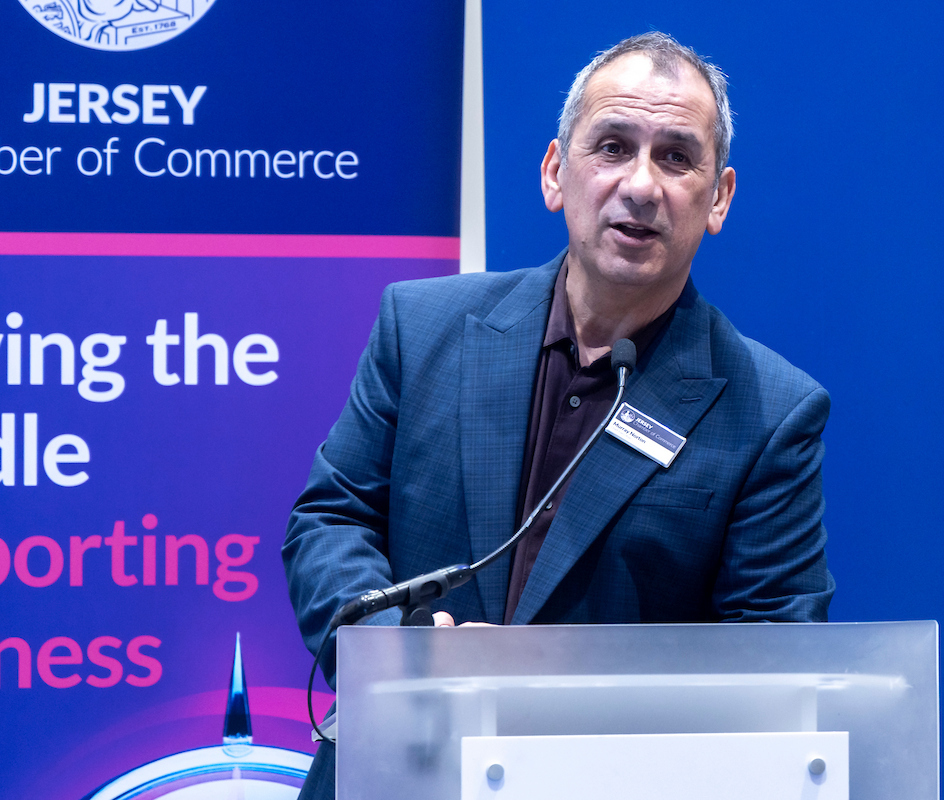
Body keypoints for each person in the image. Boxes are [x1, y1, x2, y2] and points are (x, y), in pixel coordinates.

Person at [283, 31, 834, 799]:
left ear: (718, 199)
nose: (641, 185)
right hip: (395, 773)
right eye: (612, 147)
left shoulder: (770, 411)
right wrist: (399, 655)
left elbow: (772, 657)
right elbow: (331, 521)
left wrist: (552, 695)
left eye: (677, 158)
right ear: (554, 172)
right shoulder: (423, 326)